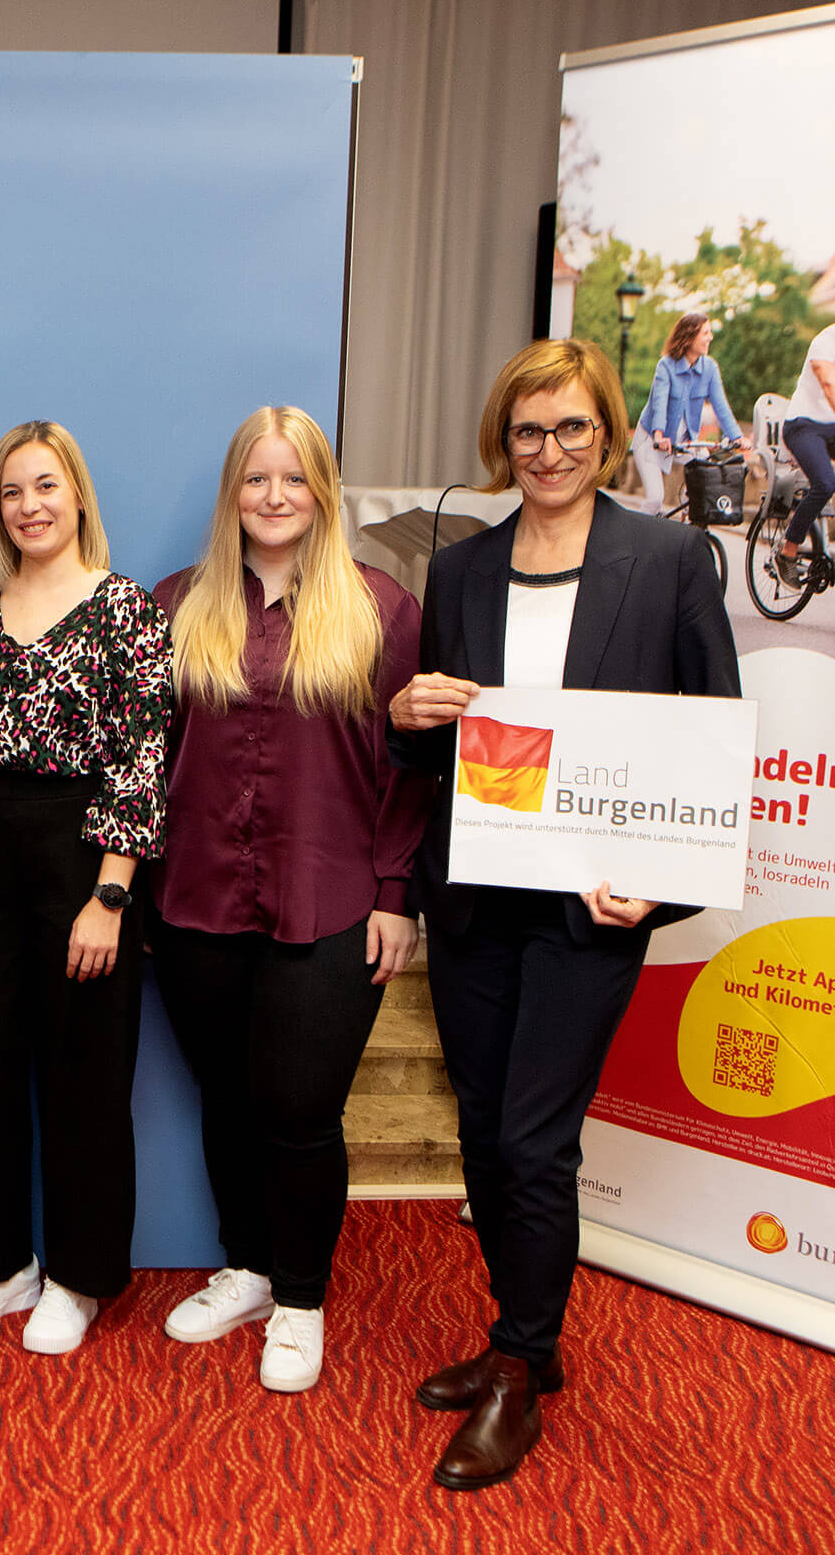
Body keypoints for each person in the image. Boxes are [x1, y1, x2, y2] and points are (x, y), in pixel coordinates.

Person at [390, 339, 739, 1489]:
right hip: (478, 897)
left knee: (535, 1141)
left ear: (606, 435)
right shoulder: (461, 569)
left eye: (572, 428)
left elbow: (711, 743)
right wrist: (408, 716)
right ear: (505, 438)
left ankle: (517, 1366)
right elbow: (442, 757)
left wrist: (661, 885)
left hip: (592, 909)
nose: (549, 451)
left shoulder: (669, 558)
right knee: (485, 1130)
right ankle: (523, 1340)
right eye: (529, 430)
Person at [149, 407, 428, 1392]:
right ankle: (251, 1269)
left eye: (295, 478)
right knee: (226, 1099)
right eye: (256, 478)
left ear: (323, 490)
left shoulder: (382, 609)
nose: (274, 497)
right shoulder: (177, 604)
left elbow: (407, 768)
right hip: (194, 899)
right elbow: (147, 760)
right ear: (233, 491)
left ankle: (301, 1300)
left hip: (332, 898)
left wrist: (396, 894)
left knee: (300, 1111)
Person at [0, 422, 172, 1355]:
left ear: (77, 495)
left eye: (45, 486)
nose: (29, 506)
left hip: (83, 853)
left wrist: (110, 897)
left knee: (84, 1072)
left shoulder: (126, 608)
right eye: (12, 491)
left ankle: (78, 1275)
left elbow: (141, 761)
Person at [631, 312, 750, 515]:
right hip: (652, 439)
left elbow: (720, 406)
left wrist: (736, 436)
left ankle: (688, 528)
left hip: (684, 443)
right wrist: (658, 435)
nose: (710, 337)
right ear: (689, 337)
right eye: (705, 333)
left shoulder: (710, 368)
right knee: (655, 499)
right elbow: (659, 402)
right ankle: (636, 533)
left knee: (703, 487)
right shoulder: (666, 366)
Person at [770, 322, 835, 586]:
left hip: (830, 428)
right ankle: (788, 551)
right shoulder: (825, 342)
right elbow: (828, 383)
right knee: (826, 483)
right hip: (803, 426)